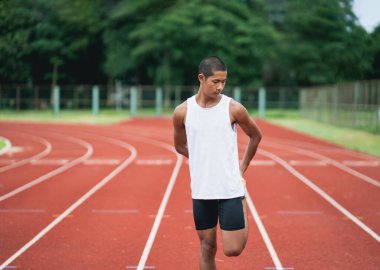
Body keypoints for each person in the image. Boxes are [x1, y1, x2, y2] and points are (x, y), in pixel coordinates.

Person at [172, 56, 262, 270]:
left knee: (233, 249)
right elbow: (179, 146)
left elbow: (256, 136)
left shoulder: (233, 109)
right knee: (207, 246)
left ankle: (243, 199)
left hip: (230, 189)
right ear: (201, 78)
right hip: (202, 190)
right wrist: (203, 158)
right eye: (216, 81)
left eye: (224, 81)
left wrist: (241, 168)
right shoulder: (182, 112)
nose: (220, 86)